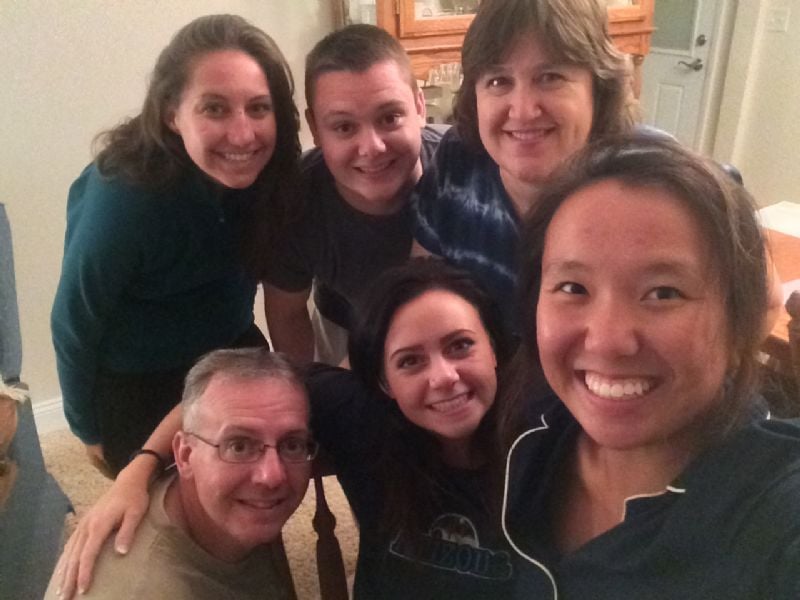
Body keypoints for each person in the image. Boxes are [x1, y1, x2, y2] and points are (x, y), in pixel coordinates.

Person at [55, 259, 519, 599]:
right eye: (410, 361)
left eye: (460, 346)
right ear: (383, 381)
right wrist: (140, 468)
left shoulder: (545, 442)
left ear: (495, 349)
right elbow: (227, 395)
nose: (443, 377)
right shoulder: (362, 414)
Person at [501, 135, 800, 598]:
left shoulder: (773, 513)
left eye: (663, 293)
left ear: (738, 319)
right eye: (573, 287)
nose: (607, 340)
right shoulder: (526, 442)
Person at [51, 14, 300, 475]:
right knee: (171, 520)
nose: (243, 135)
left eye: (259, 108)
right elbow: (74, 320)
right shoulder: (125, 198)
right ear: (172, 113)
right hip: (139, 379)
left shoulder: (275, 177)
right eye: (214, 108)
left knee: (263, 482)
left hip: (231, 352)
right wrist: (87, 430)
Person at [412, 0, 635, 324]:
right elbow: (418, 296)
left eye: (550, 77)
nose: (524, 110)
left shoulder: (649, 188)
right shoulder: (456, 163)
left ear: (598, 90)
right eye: (499, 81)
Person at [44, 347, 315, 599]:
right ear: (185, 455)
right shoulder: (146, 588)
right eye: (239, 446)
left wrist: (143, 463)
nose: (272, 475)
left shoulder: (207, 494)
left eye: (292, 444)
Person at [262, 24, 446, 365]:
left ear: (420, 107)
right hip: (344, 329)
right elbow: (287, 313)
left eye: (390, 117)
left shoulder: (467, 169)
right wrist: (311, 391)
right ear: (316, 129)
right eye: (344, 127)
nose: (372, 147)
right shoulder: (294, 199)